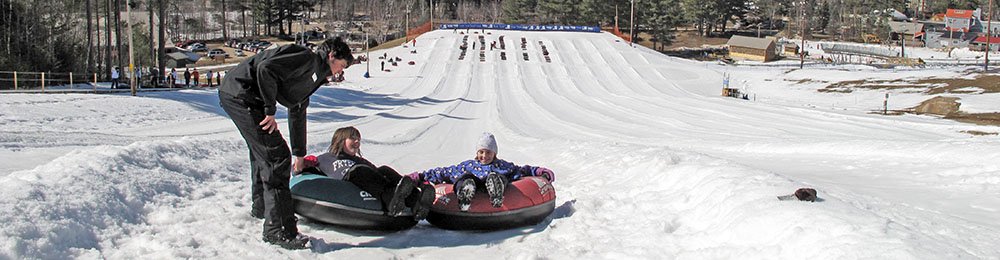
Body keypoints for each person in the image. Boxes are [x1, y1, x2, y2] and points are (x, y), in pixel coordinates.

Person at [218, 37, 354, 250]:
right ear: (331, 56)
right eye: (341, 66)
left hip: (245, 96)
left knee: (264, 151)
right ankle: (278, 228)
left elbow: (297, 110)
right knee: (277, 156)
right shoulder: (306, 58)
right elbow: (265, 69)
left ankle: (264, 207)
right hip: (240, 93)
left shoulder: (315, 75)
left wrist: (300, 155)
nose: (339, 72)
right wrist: (269, 110)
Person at [407, 133, 554, 211]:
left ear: (494, 153)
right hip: (474, 183)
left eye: (489, 152)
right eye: (482, 152)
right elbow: (445, 172)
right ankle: (465, 192)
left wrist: (541, 172)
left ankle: (496, 190)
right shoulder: (468, 165)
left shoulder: (502, 165)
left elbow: (522, 171)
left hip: (494, 180)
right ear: (477, 152)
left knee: (498, 176)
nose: (485, 156)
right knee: (465, 177)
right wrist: (420, 176)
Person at [312, 126, 435, 220]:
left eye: (358, 140)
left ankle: (417, 201)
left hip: (368, 181)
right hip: (348, 180)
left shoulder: (361, 160)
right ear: (340, 140)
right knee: (359, 170)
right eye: (353, 138)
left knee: (384, 170)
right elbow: (307, 171)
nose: (357, 142)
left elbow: (376, 175)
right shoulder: (325, 158)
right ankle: (391, 199)